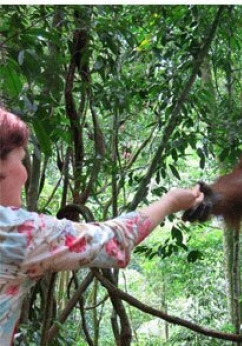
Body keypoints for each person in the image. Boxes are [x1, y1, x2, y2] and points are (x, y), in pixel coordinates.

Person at [0, 106, 203, 345]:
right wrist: (170, 202)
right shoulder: (16, 234)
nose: (24, 172)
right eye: (21, 160)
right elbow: (114, 240)